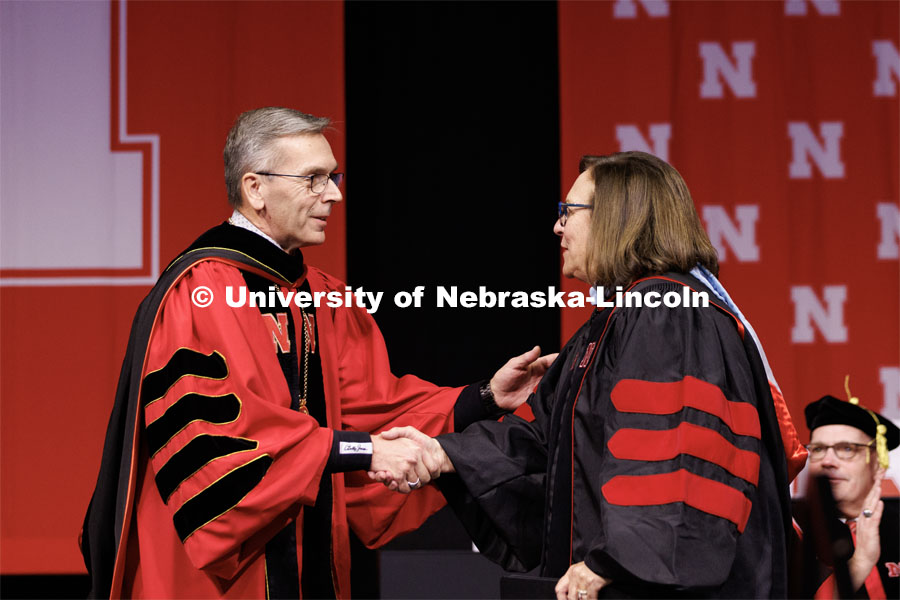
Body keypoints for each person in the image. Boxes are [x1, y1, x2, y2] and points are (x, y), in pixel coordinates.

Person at [79, 107, 554, 599]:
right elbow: (223, 439)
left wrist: (483, 398)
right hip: (222, 577)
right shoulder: (202, 292)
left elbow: (373, 408)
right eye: (313, 179)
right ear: (255, 188)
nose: (334, 194)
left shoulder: (323, 297)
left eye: (333, 176)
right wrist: (360, 450)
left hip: (314, 563)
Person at [374, 151, 808, 598]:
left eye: (569, 211)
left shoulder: (667, 315)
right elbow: (542, 448)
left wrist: (615, 560)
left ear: (618, 218)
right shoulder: (613, 322)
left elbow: (674, 452)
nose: (557, 227)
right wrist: (441, 454)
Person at [803, 392, 899, 599]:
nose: (827, 461)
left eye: (847, 448)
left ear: (878, 465)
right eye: (818, 449)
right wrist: (861, 561)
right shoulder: (793, 535)